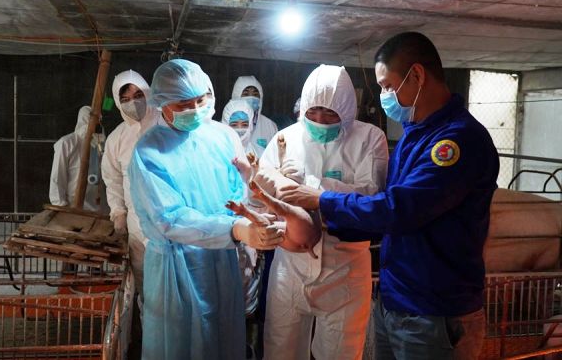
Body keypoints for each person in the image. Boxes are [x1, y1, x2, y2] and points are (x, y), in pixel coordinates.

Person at [277, 32, 500, 359]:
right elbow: (389, 215)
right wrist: (318, 224)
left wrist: (321, 200)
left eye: (387, 86)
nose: (384, 96)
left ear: (417, 75)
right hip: (397, 299)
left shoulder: (456, 141)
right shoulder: (414, 136)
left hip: (434, 309)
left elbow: (401, 210)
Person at [128, 59, 283, 360]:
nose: (195, 109)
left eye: (201, 100)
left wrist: (251, 211)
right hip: (177, 267)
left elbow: (237, 193)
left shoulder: (222, 136)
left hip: (222, 260)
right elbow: (170, 219)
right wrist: (234, 229)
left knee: (222, 338)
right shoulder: (149, 151)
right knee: (180, 345)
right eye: (184, 104)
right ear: (162, 104)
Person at [259, 64, 389, 360]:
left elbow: (372, 196)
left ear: (347, 110)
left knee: (342, 352)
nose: (320, 120)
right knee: (280, 349)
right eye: (313, 112)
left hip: (344, 268)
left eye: (330, 113)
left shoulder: (369, 138)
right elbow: (261, 194)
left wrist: (311, 188)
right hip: (290, 267)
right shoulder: (286, 139)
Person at [101, 69, 157, 359]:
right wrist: (119, 214)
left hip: (171, 224)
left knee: (175, 290)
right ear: (117, 101)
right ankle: (151, 348)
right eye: (125, 98)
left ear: (148, 93)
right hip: (136, 228)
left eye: (138, 94)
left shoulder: (166, 124)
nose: (133, 102)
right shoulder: (117, 139)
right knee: (146, 292)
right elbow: (112, 181)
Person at [49, 105, 108, 213]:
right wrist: (60, 206)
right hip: (72, 208)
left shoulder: (99, 144)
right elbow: (57, 177)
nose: (98, 123)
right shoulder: (67, 143)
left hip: (98, 210)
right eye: (95, 119)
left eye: (99, 120)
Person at [231, 76, 278, 155]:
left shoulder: (270, 126)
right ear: (236, 96)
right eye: (246, 94)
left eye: (255, 94)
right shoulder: (224, 125)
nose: (251, 98)